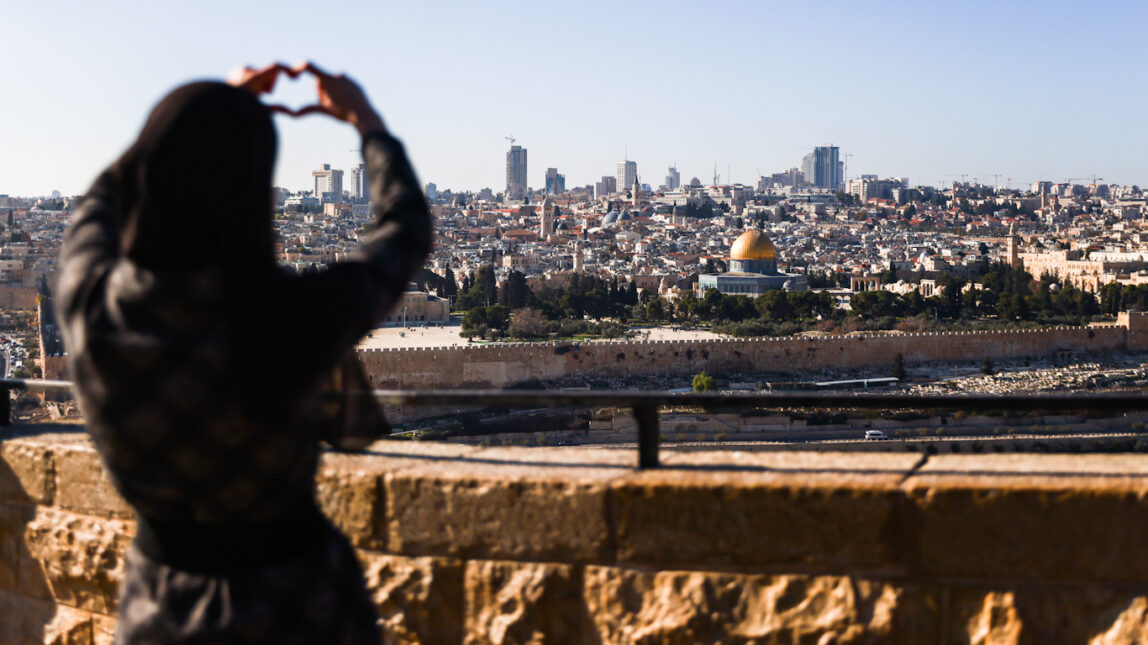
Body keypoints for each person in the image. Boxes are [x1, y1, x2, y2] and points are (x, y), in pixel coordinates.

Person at [56, 62, 431, 644]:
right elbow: (404, 233)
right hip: (302, 607)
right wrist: (366, 122)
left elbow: (100, 203)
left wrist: (200, 115)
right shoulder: (291, 317)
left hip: (161, 608)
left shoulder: (92, 306)